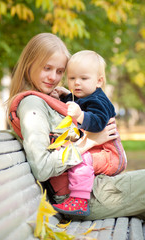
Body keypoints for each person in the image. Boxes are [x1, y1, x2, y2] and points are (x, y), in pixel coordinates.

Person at [7, 33, 145, 221]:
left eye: (59, 71)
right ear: (30, 64)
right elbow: (42, 168)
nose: (53, 77)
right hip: (81, 196)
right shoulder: (32, 105)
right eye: (47, 68)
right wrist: (89, 142)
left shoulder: (52, 98)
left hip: (94, 184)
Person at [51, 50, 127, 216]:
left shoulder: (98, 100)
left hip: (111, 155)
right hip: (98, 151)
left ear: (98, 81)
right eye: (72, 78)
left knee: (81, 158)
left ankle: (79, 200)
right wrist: (62, 97)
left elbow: (98, 122)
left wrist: (80, 115)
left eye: (84, 78)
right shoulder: (82, 96)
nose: (77, 83)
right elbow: (74, 103)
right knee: (80, 157)